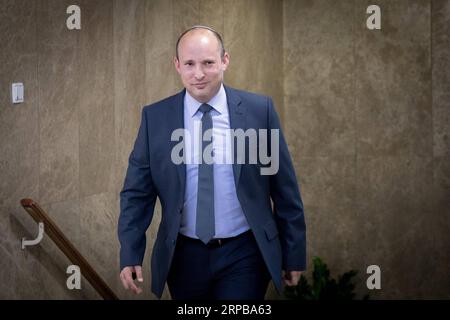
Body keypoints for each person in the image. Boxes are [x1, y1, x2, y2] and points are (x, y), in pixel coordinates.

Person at [118, 25, 306, 300]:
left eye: (208, 63)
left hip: (245, 253)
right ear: (177, 65)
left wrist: (294, 254)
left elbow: (285, 189)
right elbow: (136, 194)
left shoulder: (259, 111)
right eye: (190, 64)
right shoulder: (155, 118)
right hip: (183, 257)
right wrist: (130, 252)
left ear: (225, 60)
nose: (199, 74)